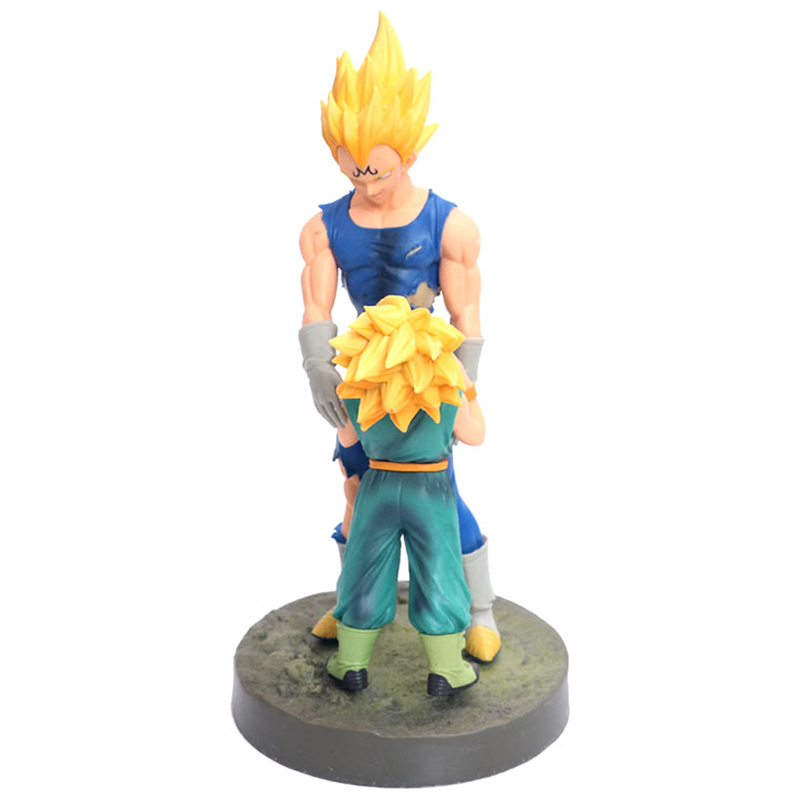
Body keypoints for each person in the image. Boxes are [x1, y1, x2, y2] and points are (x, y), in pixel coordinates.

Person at [299, 13, 500, 663]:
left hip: (425, 375)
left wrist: (463, 385)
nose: (366, 183)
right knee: (358, 488)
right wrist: (318, 368)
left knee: (438, 493)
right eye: (353, 171)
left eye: (378, 172)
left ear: (409, 154)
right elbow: (316, 304)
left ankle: (479, 610)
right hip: (363, 377)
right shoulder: (324, 226)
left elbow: (467, 313)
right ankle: (353, 604)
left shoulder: (450, 224)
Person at [326, 296, 485, 695]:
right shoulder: (445, 387)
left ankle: (351, 663)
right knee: (439, 569)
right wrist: (469, 391)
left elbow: (347, 438)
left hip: (378, 486)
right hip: (429, 489)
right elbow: (475, 435)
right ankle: (447, 668)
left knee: (365, 568)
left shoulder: (359, 387)